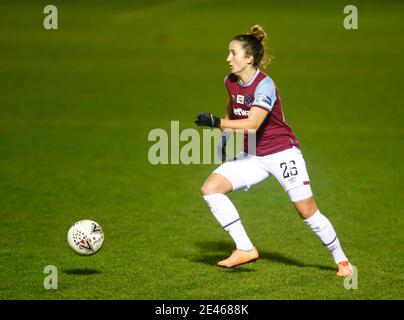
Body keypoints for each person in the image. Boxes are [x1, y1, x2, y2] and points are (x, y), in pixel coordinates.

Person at [194, 25, 353, 277]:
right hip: (253, 156)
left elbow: (254, 122)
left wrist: (217, 123)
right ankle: (245, 248)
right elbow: (232, 107)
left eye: (233, 53)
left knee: (306, 211)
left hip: (282, 153)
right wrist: (225, 135)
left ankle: (342, 261)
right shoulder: (230, 81)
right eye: (228, 53)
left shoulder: (265, 85)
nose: (228, 59)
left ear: (249, 58)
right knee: (210, 189)